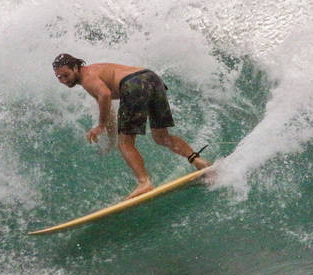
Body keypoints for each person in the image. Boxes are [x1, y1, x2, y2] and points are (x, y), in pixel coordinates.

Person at [52, 53, 210, 199]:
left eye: (66, 75)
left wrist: (100, 126)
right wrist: (112, 140)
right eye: (59, 77)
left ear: (75, 67)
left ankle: (144, 182)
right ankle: (198, 161)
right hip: (151, 78)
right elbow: (110, 112)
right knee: (162, 137)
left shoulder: (88, 78)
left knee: (126, 144)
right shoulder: (96, 72)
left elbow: (105, 95)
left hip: (133, 84)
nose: (64, 80)